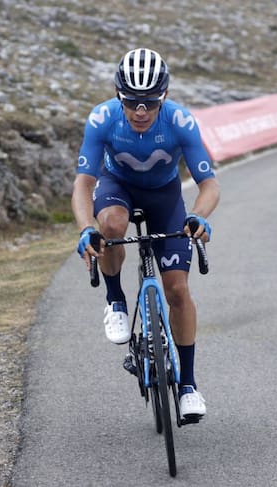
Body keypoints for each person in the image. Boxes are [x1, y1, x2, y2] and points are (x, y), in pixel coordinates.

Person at [71, 48, 220, 420]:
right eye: (131, 101)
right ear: (118, 95)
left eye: (150, 102)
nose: (140, 111)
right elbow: (83, 184)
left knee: (178, 290)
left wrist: (199, 216)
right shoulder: (103, 118)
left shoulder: (180, 121)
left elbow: (209, 185)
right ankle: (116, 300)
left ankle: (188, 386)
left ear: (164, 97)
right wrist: (86, 228)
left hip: (164, 197)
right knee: (111, 225)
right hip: (117, 187)